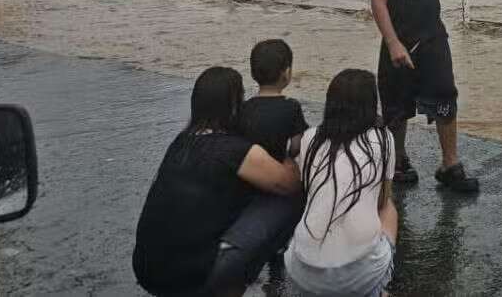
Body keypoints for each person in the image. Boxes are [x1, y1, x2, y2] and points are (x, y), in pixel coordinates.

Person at [133, 66, 304, 297]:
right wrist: (289, 156)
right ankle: (241, 280)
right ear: (234, 105)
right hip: (190, 279)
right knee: (290, 199)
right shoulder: (235, 150)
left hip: (147, 271)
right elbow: (289, 183)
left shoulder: (181, 141)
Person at [369, 0, 478, 193]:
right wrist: (393, 43)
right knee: (396, 105)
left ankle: (450, 165)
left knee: (445, 95)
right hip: (399, 41)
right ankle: (399, 159)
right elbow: (378, 2)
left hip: (433, 38)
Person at [286, 69, 397, 296]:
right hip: (359, 274)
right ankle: (377, 289)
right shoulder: (383, 138)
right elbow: (382, 199)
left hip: (302, 271)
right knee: (389, 208)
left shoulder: (310, 138)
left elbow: (310, 190)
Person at [240, 39, 309, 162]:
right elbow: (296, 145)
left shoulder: (244, 107)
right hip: (278, 166)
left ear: (252, 73)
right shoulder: (291, 107)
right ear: (287, 73)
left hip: (249, 169)